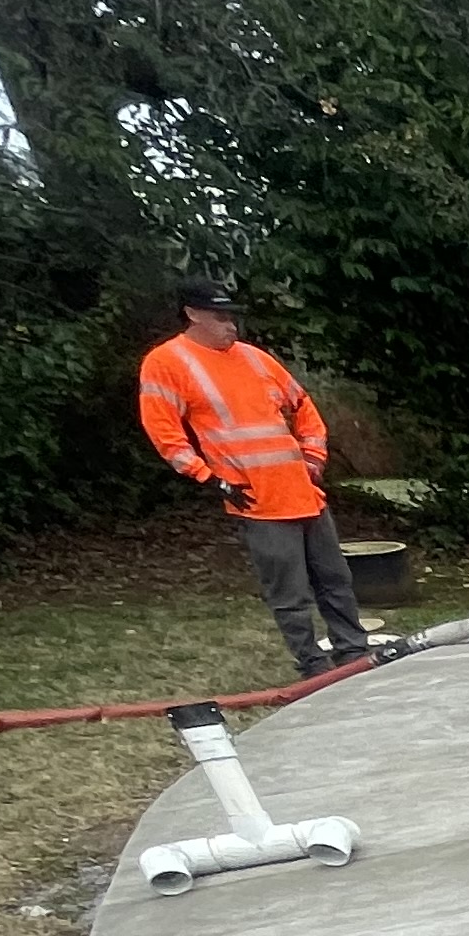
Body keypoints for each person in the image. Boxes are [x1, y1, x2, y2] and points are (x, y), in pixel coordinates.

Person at [137, 279, 367, 675]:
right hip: (256, 499)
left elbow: (302, 404)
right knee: (289, 591)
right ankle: (313, 664)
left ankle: (353, 652)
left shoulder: (254, 358)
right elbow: (164, 432)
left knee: (335, 579)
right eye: (221, 317)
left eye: (233, 318)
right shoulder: (167, 362)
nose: (231, 327)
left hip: (302, 490)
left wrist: (313, 456)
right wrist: (209, 477)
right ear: (192, 314)